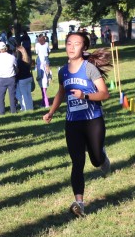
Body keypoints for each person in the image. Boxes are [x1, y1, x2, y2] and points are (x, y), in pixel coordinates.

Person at [42, 31, 112, 218]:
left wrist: (85, 95)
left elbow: (104, 94)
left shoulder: (89, 69)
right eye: (69, 43)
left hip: (93, 120)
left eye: (77, 44)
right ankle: (79, 203)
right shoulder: (63, 71)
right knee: (77, 162)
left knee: (95, 160)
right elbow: (61, 93)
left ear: (84, 48)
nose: (72, 47)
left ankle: (101, 155)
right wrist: (51, 112)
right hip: (73, 122)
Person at [0, 41, 18, 115]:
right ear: (6, 48)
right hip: (11, 78)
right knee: (12, 96)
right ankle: (13, 111)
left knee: (1, 97)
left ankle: (2, 112)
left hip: (1, 78)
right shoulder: (12, 57)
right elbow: (15, 66)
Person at [15, 45, 34, 111]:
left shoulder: (18, 61)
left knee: (23, 94)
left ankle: (26, 108)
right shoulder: (27, 59)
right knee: (28, 94)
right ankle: (31, 107)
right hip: (29, 77)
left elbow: (17, 71)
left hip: (22, 79)